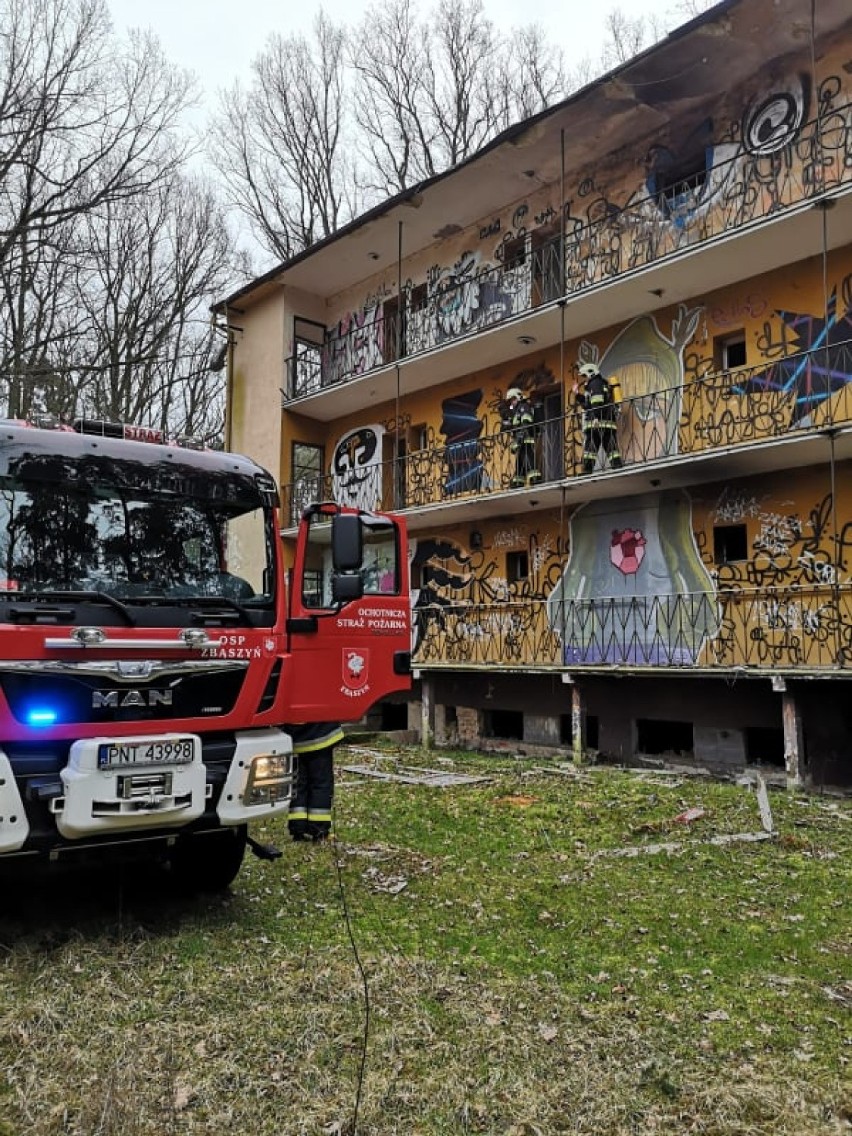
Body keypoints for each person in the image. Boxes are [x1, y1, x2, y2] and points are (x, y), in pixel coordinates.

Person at [287, 722, 345, 842]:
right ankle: (319, 830)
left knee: (297, 785)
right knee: (320, 784)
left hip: (295, 739)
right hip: (320, 737)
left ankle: (298, 830)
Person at [574, 363, 623, 473]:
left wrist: (596, 417)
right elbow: (588, 405)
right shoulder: (599, 383)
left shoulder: (595, 383)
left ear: (591, 373)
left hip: (597, 422)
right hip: (607, 421)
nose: (584, 378)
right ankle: (617, 466)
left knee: (590, 447)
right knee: (610, 446)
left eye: (585, 375)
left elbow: (597, 402)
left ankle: (587, 470)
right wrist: (577, 395)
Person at [501, 387, 541, 487]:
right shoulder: (516, 411)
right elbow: (512, 426)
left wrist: (518, 440)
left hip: (526, 439)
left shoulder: (524, 407)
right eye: (510, 401)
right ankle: (519, 481)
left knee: (528, 458)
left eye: (513, 399)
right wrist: (505, 420)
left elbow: (525, 424)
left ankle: (535, 478)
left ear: (518, 397)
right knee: (520, 461)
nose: (512, 402)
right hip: (520, 440)